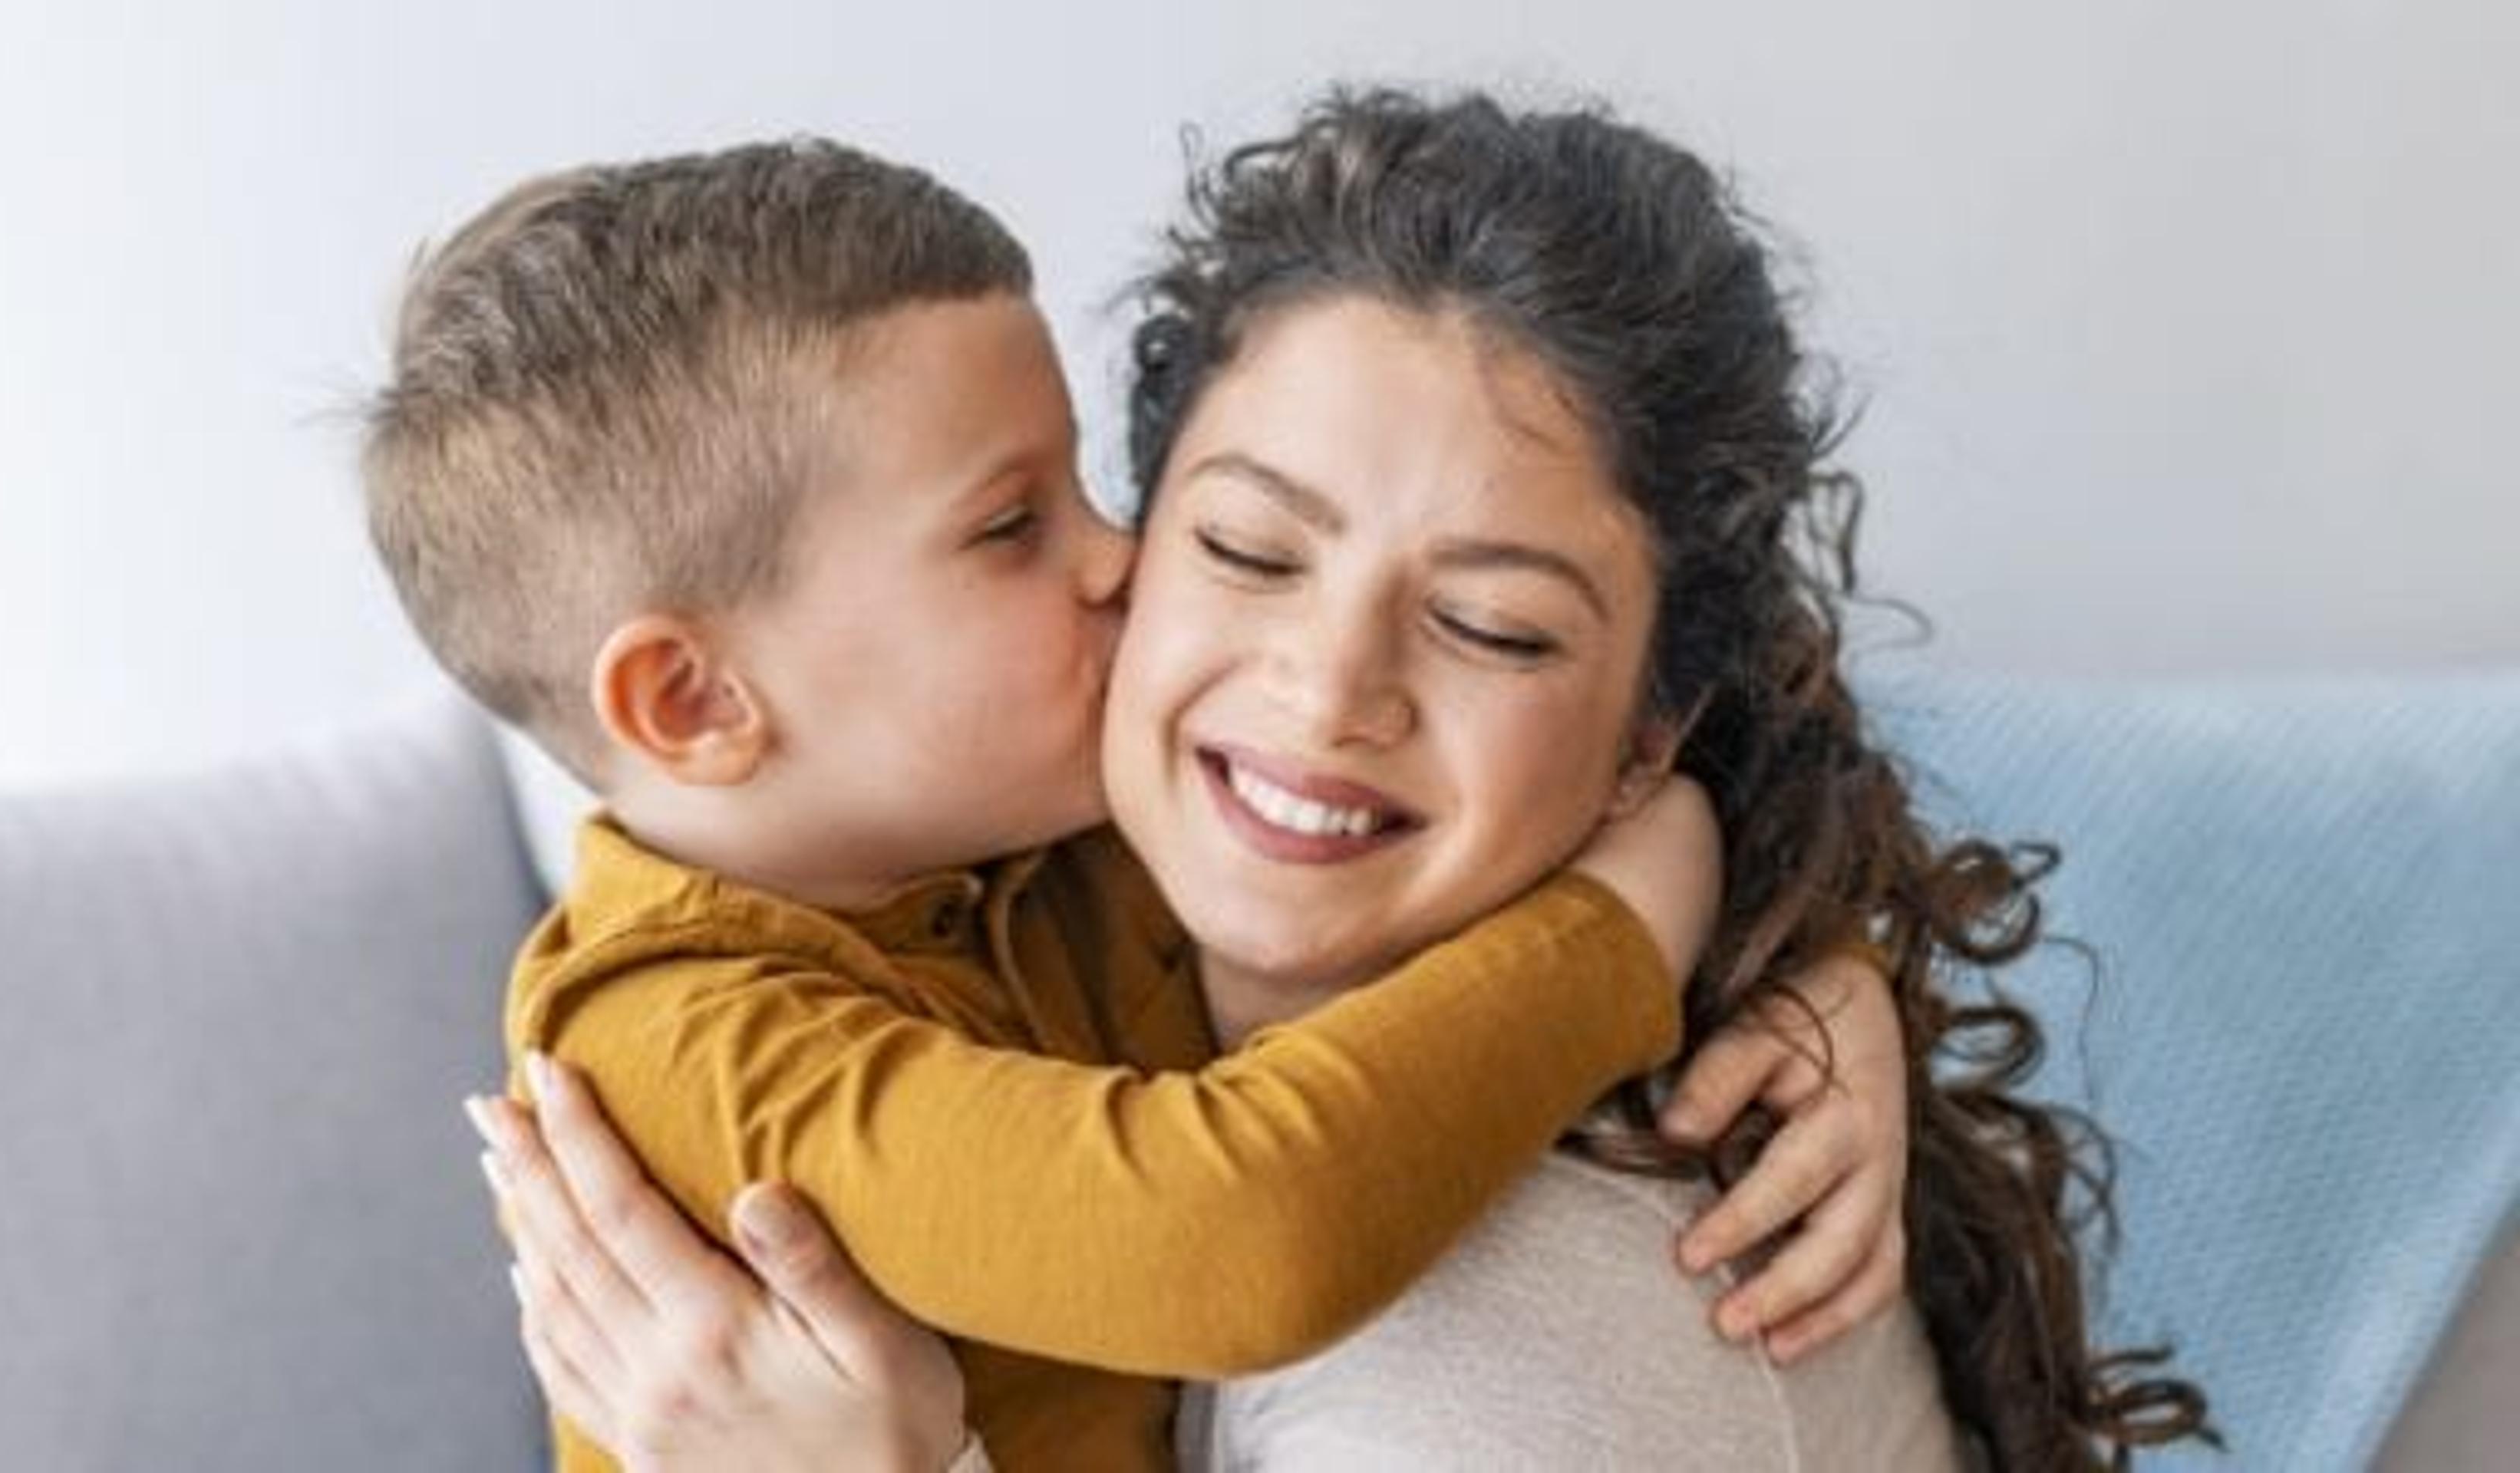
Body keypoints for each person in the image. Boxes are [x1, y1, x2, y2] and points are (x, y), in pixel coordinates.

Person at [480, 91, 2219, 1469]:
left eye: (1493, 627)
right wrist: (1696, 891)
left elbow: (1244, 1229)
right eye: (1242, 546)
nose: (1326, 692)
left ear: (1647, 733)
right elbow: (1224, 1220)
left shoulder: (1496, 1378)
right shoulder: (892, 911)